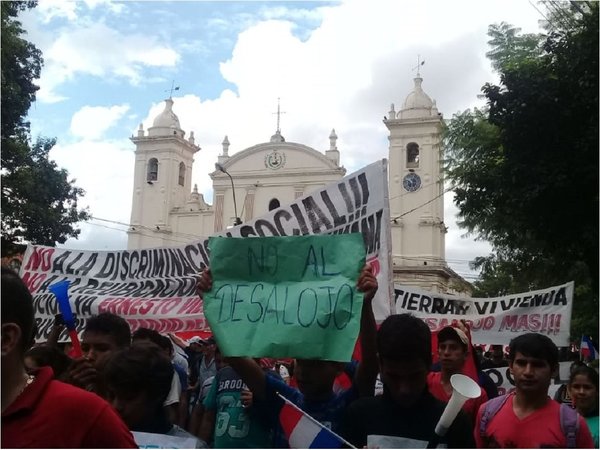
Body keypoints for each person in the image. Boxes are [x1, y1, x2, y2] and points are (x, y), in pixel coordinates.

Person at [196, 263, 379, 447]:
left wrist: (365, 305)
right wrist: (210, 303)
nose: (303, 372)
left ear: (338, 366)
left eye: (314, 364)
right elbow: (236, 356)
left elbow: (370, 365)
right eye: (300, 362)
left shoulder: (347, 405)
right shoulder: (283, 400)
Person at [1, 267, 137, 448]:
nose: (90, 356)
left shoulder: (88, 415)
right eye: (86, 347)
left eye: (102, 348)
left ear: (6, 339)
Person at [340, 314, 475, 448]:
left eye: (414, 376)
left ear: (429, 363)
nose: (404, 389)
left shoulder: (456, 424)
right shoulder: (358, 417)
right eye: (394, 377)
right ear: (380, 364)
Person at [475, 333, 594, 448]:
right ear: (511, 366)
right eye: (521, 363)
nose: (528, 372)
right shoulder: (487, 413)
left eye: (538, 365)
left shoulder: (573, 425)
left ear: (554, 370)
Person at [104, 341, 204, 447]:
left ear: (156, 396)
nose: (116, 406)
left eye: (128, 398)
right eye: (111, 396)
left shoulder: (191, 446)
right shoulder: (97, 439)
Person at [197, 346, 273, 448]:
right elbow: (208, 417)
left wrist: (259, 402)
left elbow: (280, 418)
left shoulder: (271, 378)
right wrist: (201, 445)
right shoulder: (222, 374)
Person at [427, 325, 488, 423]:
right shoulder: (425, 381)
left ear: (466, 355)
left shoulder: (478, 395)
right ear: (438, 353)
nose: (446, 352)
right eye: (443, 347)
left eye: (453, 348)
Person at [65, 311, 131, 397]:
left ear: (124, 351)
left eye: (102, 349)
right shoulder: (74, 388)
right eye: (85, 349)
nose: (90, 356)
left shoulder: (137, 396)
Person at [567, 365, 599, 447]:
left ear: (597, 391)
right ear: (569, 390)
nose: (581, 392)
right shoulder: (562, 420)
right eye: (576, 387)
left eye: (587, 387)